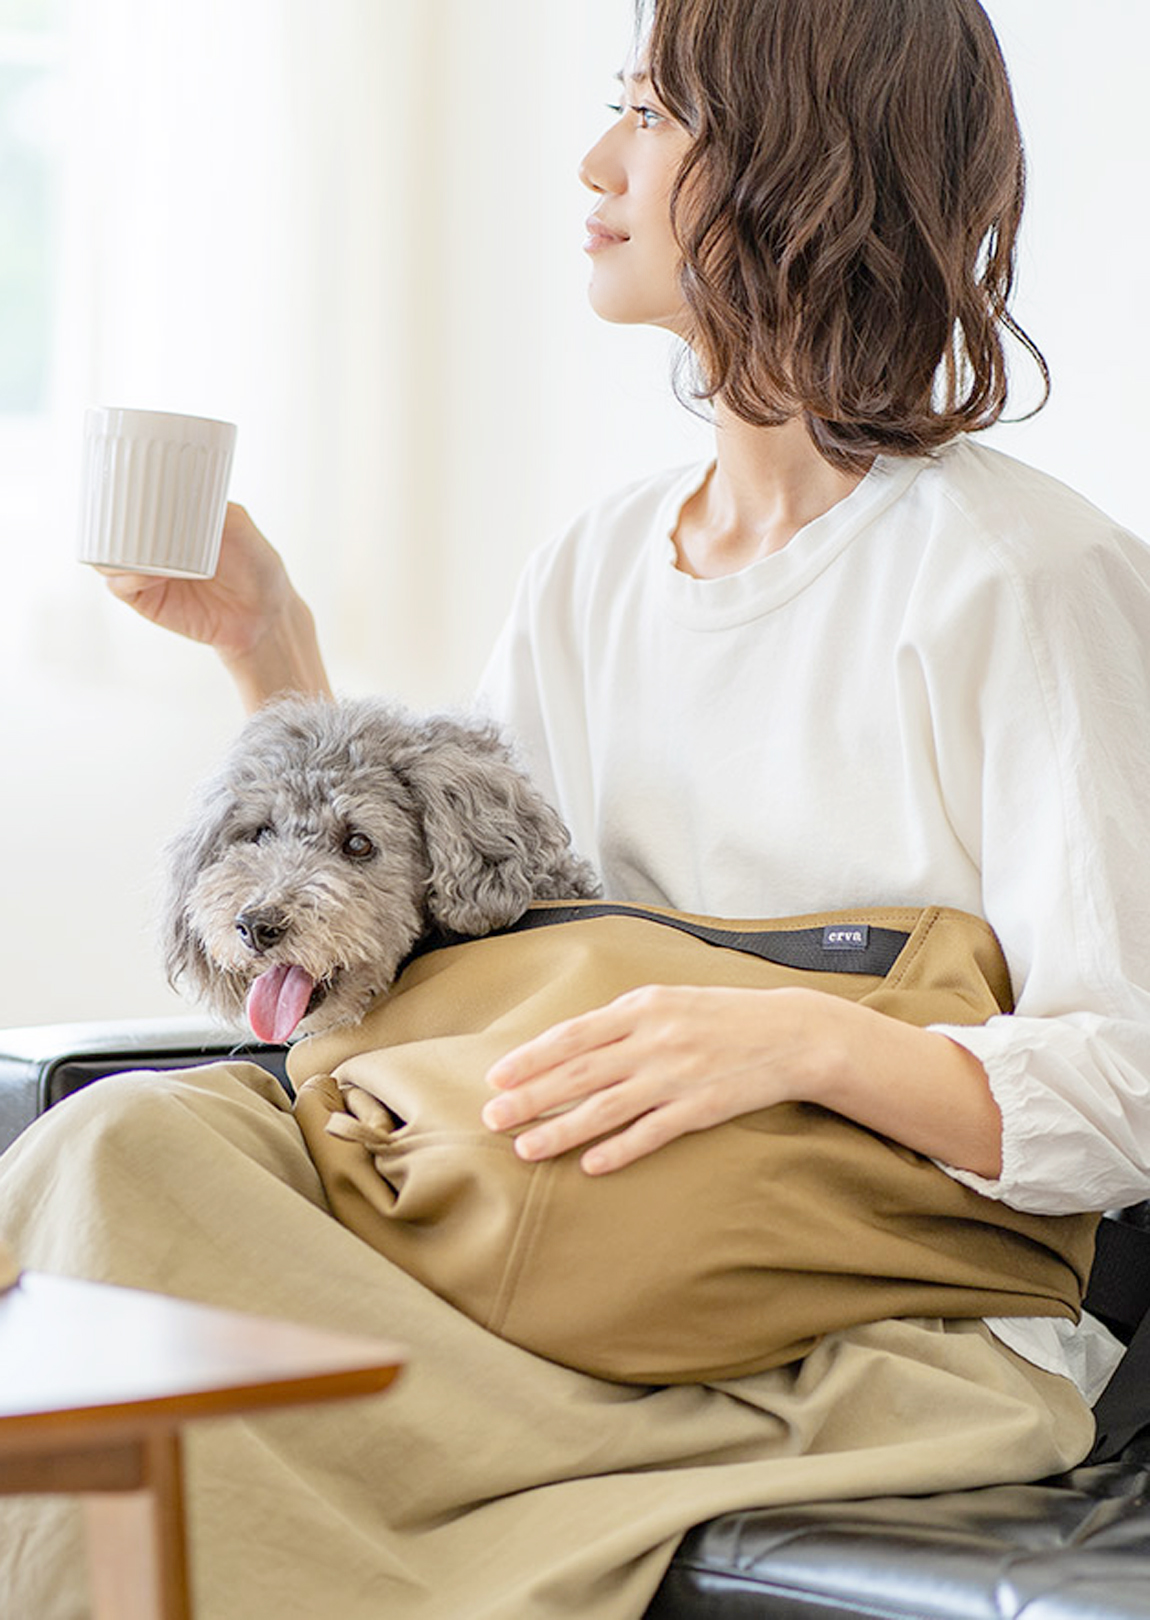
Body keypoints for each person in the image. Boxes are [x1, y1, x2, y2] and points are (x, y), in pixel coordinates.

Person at [3, 1, 1149, 1615]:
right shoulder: (595, 567)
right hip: (540, 1246)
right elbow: (459, 942)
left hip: (862, 1332)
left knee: (169, 1397)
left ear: (804, 165)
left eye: (654, 116)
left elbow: (1127, 1086)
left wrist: (795, 1041)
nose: (597, 160)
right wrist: (270, 650)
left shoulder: (1021, 579)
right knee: (118, 1155)